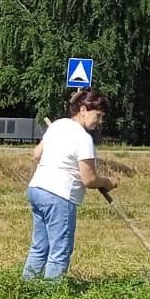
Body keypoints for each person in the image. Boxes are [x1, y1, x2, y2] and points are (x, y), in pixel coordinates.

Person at [23, 89, 117, 281]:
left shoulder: (58, 125)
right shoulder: (83, 138)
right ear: (83, 109)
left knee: (40, 247)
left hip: (37, 189)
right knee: (60, 251)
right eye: (97, 115)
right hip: (59, 196)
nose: (99, 121)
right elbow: (89, 179)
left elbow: (36, 154)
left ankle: (27, 290)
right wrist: (107, 182)